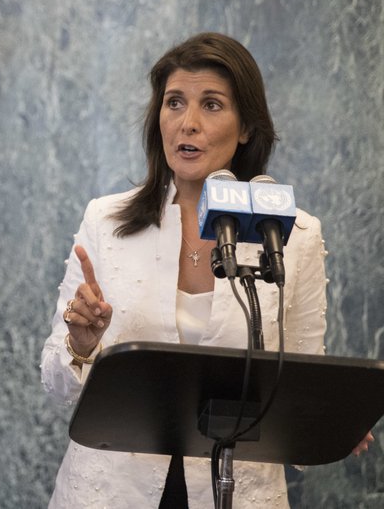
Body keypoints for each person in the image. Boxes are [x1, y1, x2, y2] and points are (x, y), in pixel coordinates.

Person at [41, 32, 372, 508]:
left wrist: (329, 421)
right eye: (174, 103)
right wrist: (82, 343)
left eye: (212, 105)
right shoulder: (105, 220)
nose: (187, 123)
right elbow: (57, 387)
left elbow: (296, 389)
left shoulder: (294, 235)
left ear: (245, 128)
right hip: (110, 492)